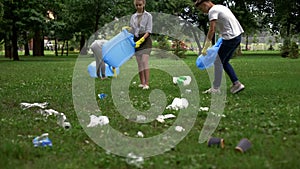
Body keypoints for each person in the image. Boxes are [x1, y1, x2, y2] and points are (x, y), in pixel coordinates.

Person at [195, 0, 245, 94]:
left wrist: (205, 47)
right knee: (224, 61)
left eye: (202, 9)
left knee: (217, 61)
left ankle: (216, 88)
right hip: (236, 37)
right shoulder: (220, 7)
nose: (203, 12)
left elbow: (212, 29)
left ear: (205, 4)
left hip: (230, 38)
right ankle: (236, 84)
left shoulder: (212, 11)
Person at [129, 0, 152, 90]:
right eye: (137, 5)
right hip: (136, 40)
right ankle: (142, 83)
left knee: (144, 61)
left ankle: (146, 83)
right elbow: (132, 29)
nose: (138, 7)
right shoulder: (133, 17)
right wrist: (128, 30)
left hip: (145, 40)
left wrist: (142, 39)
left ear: (144, 4)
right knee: (139, 63)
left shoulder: (148, 16)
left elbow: (149, 30)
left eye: (140, 5)